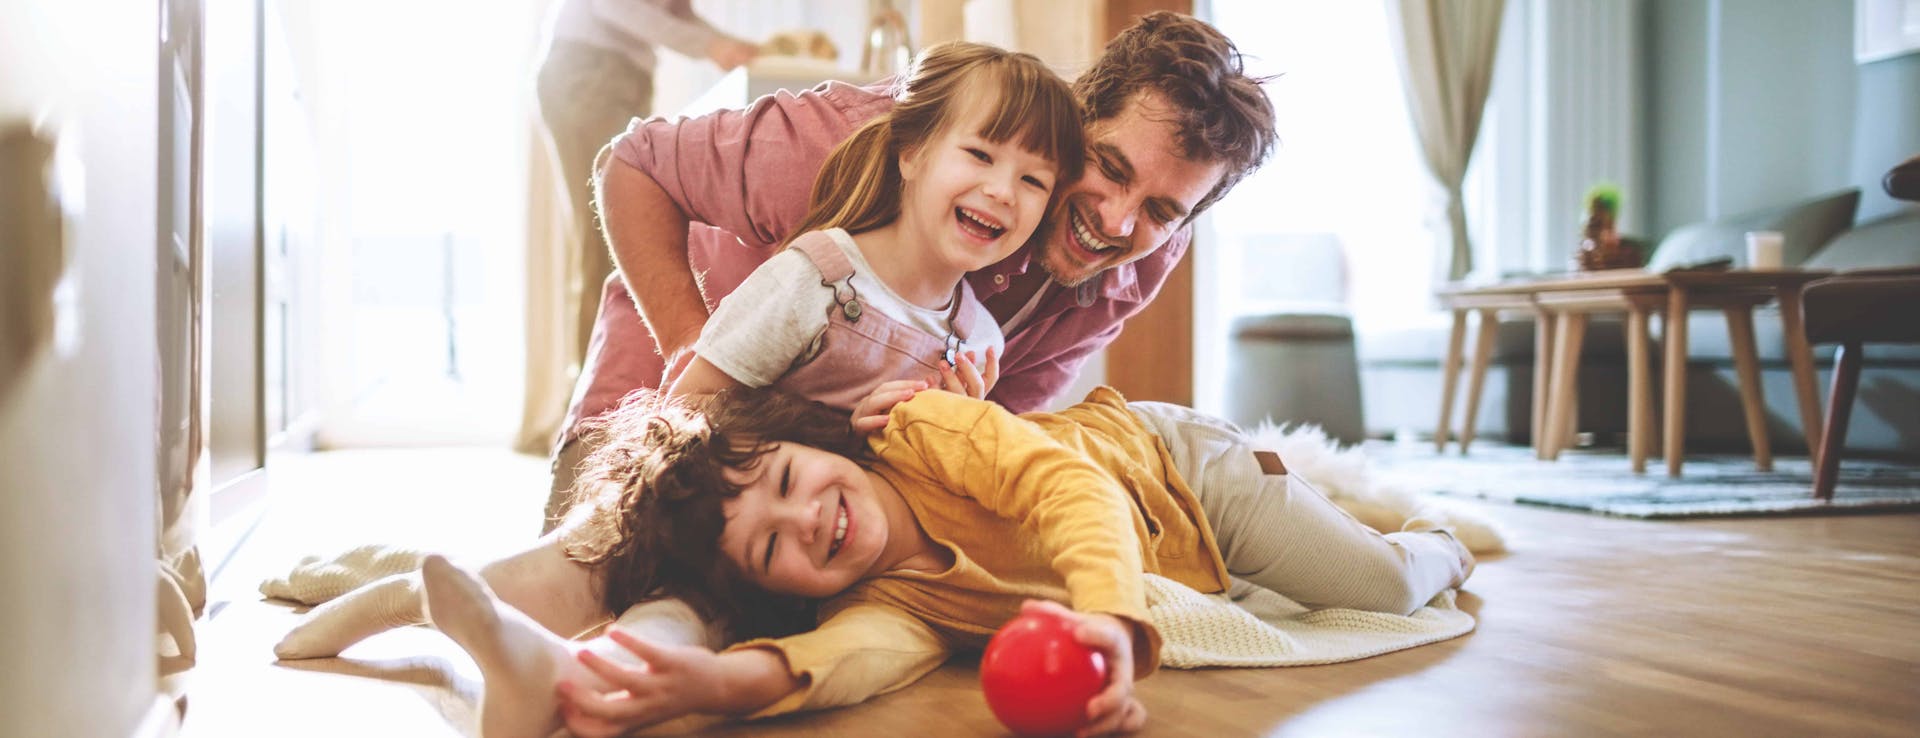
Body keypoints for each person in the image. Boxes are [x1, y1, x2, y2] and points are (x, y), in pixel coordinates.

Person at [356, 384, 1473, 737]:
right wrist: (718, 683)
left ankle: (1438, 532)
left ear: (818, 441)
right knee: (1273, 591)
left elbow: (1068, 489)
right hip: (1191, 566)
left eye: (793, 481)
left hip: (1176, 469)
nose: (810, 522)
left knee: (1377, 585)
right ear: (767, 591)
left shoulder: (931, 432)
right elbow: (852, 660)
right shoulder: (892, 597)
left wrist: (1111, 624)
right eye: (771, 550)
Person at [554, 10, 1279, 523]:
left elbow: (997, 415)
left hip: (822, 457)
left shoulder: (1138, 259)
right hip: (666, 373)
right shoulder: (857, 141)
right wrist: (691, 346)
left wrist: (939, 427)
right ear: (1074, 120)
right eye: (1110, 168)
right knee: (596, 560)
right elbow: (630, 165)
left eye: (1161, 212)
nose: (1118, 221)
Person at [662, 40, 1087, 433]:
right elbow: (680, 415)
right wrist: (844, 434)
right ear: (912, 154)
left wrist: (950, 433)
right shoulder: (811, 281)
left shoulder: (981, 343)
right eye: (980, 155)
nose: (1002, 192)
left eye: (1033, 180)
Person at [535, 0, 758, 369]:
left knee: (618, 244)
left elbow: (676, 13)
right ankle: (592, 407)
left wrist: (732, 44)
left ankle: (599, 391)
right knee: (610, 244)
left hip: (612, 75)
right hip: (590, 72)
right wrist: (712, 46)